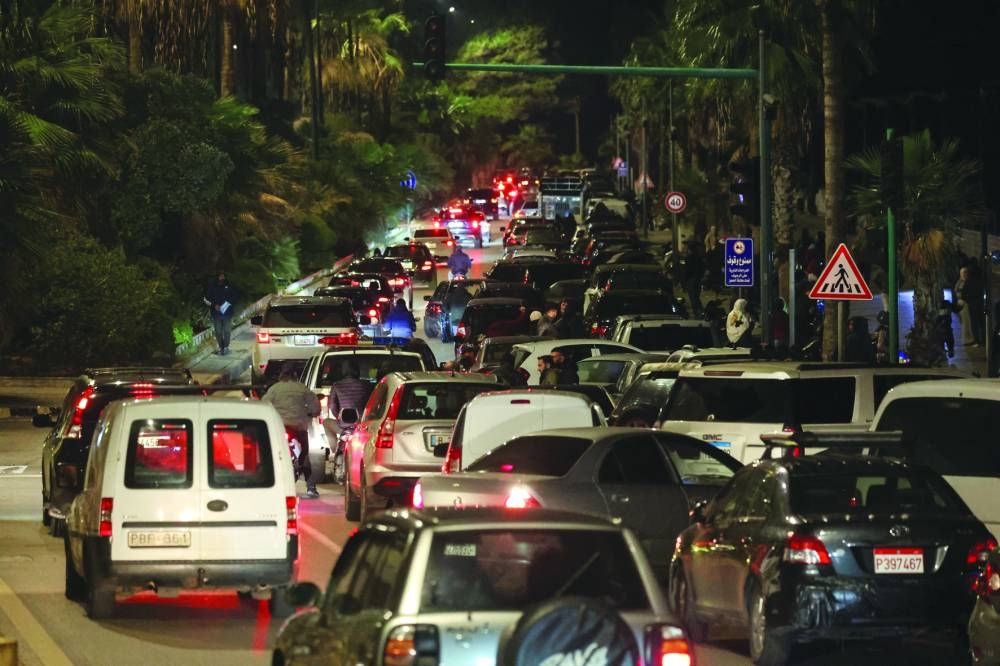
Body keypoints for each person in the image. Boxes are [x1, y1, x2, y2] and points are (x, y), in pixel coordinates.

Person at [263, 369, 322, 498]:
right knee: (304, 455)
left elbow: (264, 404)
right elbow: (315, 407)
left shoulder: (274, 389)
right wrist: (312, 413)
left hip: (280, 427)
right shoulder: (302, 388)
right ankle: (311, 487)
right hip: (299, 427)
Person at [328, 360, 374, 428]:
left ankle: (337, 435)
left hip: (344, 424)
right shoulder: (367, 385)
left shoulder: (336, 386)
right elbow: (372, 404)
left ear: (343, 372)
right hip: (363, 424)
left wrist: (339, 417)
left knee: (326, 422)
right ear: (357, 371)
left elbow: (332, 406)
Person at [204, 271, 236, 355]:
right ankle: (221, 347)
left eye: (223, 276)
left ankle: (226, 347)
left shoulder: (229, 286)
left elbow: (234, 297)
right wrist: (214, 305)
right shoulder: (212, 287)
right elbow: (206, 299)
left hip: (227, 313)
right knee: (218, 331)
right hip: (216, 314)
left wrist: (228, 304)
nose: (222, 278)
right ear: (217, 277)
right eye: (220, 276)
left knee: (227, 331)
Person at [955, 265, 985, 346]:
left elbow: (962, 293)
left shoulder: (966, 282)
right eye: (963, 273)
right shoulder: (963, 282)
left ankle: (973, 340)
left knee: (970, 323)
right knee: (969, 323)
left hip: (968, 305)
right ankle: (972, 340)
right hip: (968, 305)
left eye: (966, 272)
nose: (965, 274)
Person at [680, 241, 704, 317]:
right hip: (698, 280)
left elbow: (686, 271)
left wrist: (683, 283)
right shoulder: (699, 258)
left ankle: (697, 313)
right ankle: (701, 312)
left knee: (693, 298)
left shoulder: (689, 258)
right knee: (696, 297)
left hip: (691, 281)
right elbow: (702, 269)